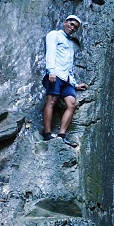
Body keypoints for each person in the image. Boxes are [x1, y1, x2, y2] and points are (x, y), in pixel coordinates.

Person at [42, 15, 88, 145]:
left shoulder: (70, 43)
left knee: (72, 103)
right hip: (55, 74)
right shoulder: (54, 35)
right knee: (52, 101)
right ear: (65, 22)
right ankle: (47, 134)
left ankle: (61, 135)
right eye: (71, 24)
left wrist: (75, 85)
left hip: (66, 79)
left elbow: (68, 66)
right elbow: (50, 52)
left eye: (75, 27)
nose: (72, 28)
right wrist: (51, 71)